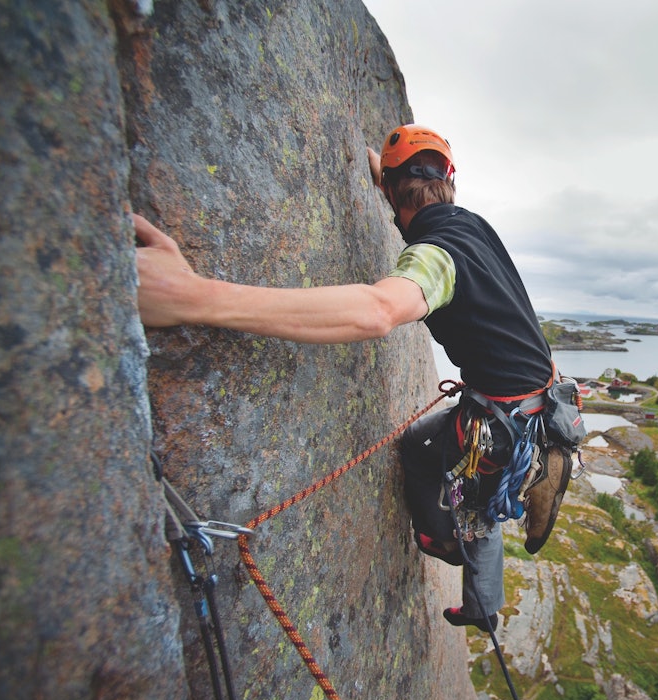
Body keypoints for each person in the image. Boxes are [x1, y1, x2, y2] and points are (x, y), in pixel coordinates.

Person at [134, 124, 560, 632]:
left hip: (500, 424)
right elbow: (418, 208)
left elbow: (379, 309)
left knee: (437, 463)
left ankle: (447, 542)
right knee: (469, 480)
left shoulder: (435, 256)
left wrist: (193, 297)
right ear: (448, 185)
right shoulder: (474, 227)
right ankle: (488, 590)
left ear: (393, 196)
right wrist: (385, 174)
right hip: (539, 401)